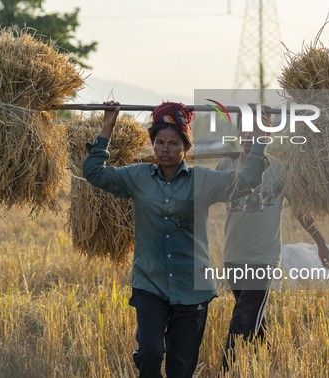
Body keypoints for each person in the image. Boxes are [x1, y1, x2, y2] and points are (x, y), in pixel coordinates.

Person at [83, 100, 268, 378]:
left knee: (180, 367)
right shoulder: (137, 176)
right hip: (150, 283)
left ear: (186, 147)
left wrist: (260, 138)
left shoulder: (204, 180)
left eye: (172, 143)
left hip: (192, 287)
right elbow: (94, 173)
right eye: (159, 142)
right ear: (153, 145)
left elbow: (249, 179)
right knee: (149, 351)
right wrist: (107, 127)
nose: (164, 149)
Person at [215, 104, 329, 373]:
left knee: (243, 321)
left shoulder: (280, 170)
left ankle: (225, 372)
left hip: (263, 258)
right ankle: (269, 366)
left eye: (257, 130)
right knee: (254, 318)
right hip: (233, 257)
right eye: (244, 130)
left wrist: (321, 243)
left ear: (266, 134)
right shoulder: (226, 165)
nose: (249, 136)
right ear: (237, 132)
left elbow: (301, 210)